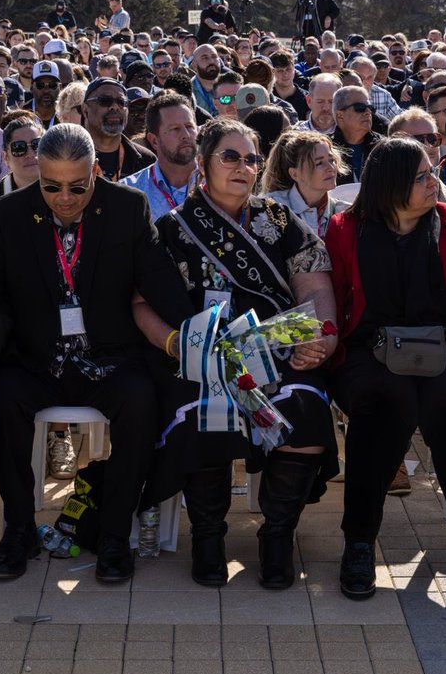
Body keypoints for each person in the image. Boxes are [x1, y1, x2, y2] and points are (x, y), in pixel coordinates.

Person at [0, 123, 191, 583]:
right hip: (36, 355)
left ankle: (115, 535)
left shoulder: (127, 207)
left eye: (77, 186)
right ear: (36, 173)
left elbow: (157, 278)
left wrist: (193, 329)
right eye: (51, 185)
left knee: (141, 402)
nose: (63, 197)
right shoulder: (6, 215)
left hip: (109, 354)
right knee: (1, 398)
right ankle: (19, 529)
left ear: (96, 172)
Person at [133, 118, 338, 589]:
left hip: (276, 353)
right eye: (230, 156)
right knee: (204, 412)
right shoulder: (170, 229)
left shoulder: (280, 220)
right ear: (204, 164)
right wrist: (176, 345)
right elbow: (141, 304)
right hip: (199, 359)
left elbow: (315, 283)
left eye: (251, 158)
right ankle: (208, 537)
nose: (243, 167)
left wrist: (323, 337)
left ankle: (277, 535)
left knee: (304, 406)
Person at [325, 136, 446, 604]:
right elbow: (334, 299)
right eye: (421, 176)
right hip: (369, 349)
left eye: (431, 172)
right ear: (390, 184)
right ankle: (359, 543)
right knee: (382, 404)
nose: (432, 181)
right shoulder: (345, 229)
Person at [120, 92, 199, 220]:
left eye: (189, 126)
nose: (186, 135)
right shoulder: (129, 191)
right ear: (154, 141)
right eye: (175, 129)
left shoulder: (218, 182)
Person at [259, 129, 349, 237]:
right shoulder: (270, 208)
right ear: (294, 174)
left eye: (331, 160)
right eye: (319, 163)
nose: (331, 168)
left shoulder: (345, 212)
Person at [81, 78, 155, 181]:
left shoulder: (146, 160)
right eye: (105, 101)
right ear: (85, 110)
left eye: (121, 102)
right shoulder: (68, 155)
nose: (115, 107)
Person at [331, 85, 382, 183]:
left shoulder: (384, 147)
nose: (368, 112)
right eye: (360, 107)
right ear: (340, 115)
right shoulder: (326, 150)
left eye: (370, 107)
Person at [0, 114, 44, 199]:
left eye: (37, 144)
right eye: (19, 147)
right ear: (6, 157)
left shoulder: (65, 188)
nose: (30, 154)